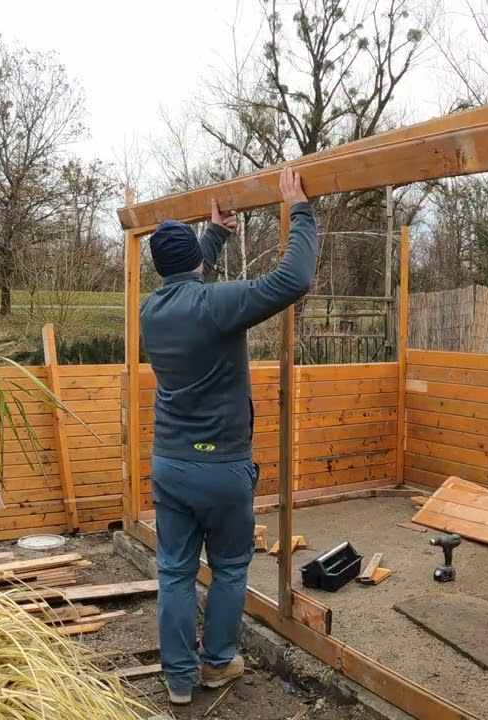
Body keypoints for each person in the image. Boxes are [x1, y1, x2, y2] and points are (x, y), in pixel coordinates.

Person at [140, 168, 316, 705]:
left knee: (174, 570)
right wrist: (301, 212)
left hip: (170, 463)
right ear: (193, 263)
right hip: (221, 468)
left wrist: (212, 236)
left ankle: (177, 680)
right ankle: (217, 664)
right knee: (231, 566)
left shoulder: (151, 312)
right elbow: (294, 279)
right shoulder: (215, 306)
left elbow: (189, 281)